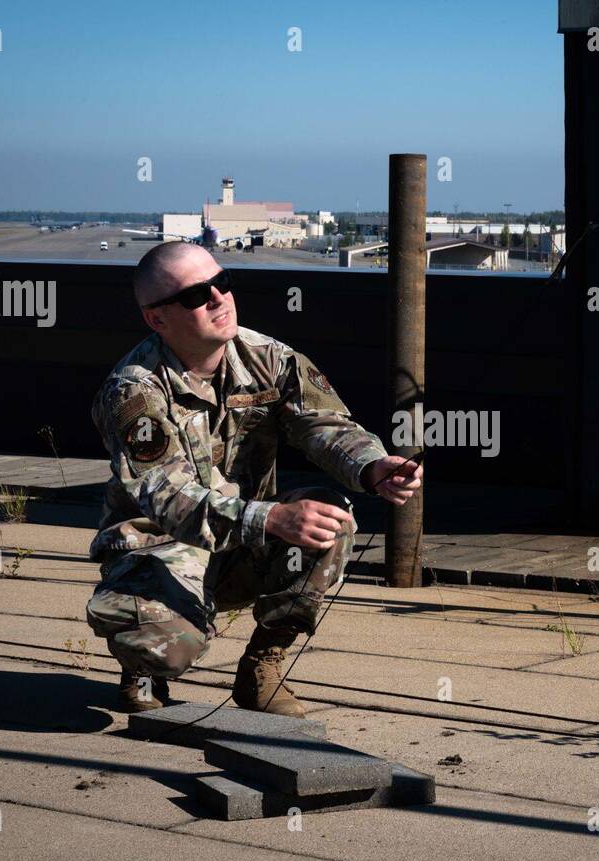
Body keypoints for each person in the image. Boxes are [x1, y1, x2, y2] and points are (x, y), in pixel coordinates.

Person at [84, 242, 422, 717]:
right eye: (196, 295)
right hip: (158, 550)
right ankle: (145, 665)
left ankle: (262, 666)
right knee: (168, 646)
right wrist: (270, 518)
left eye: (221, 282)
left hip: (243, 543)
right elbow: (165, 495)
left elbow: (323, 425)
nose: (218, 298)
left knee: (329, 520)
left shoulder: (270, 358)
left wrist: (371, 466)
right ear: (157, 319)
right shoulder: (135, 391)